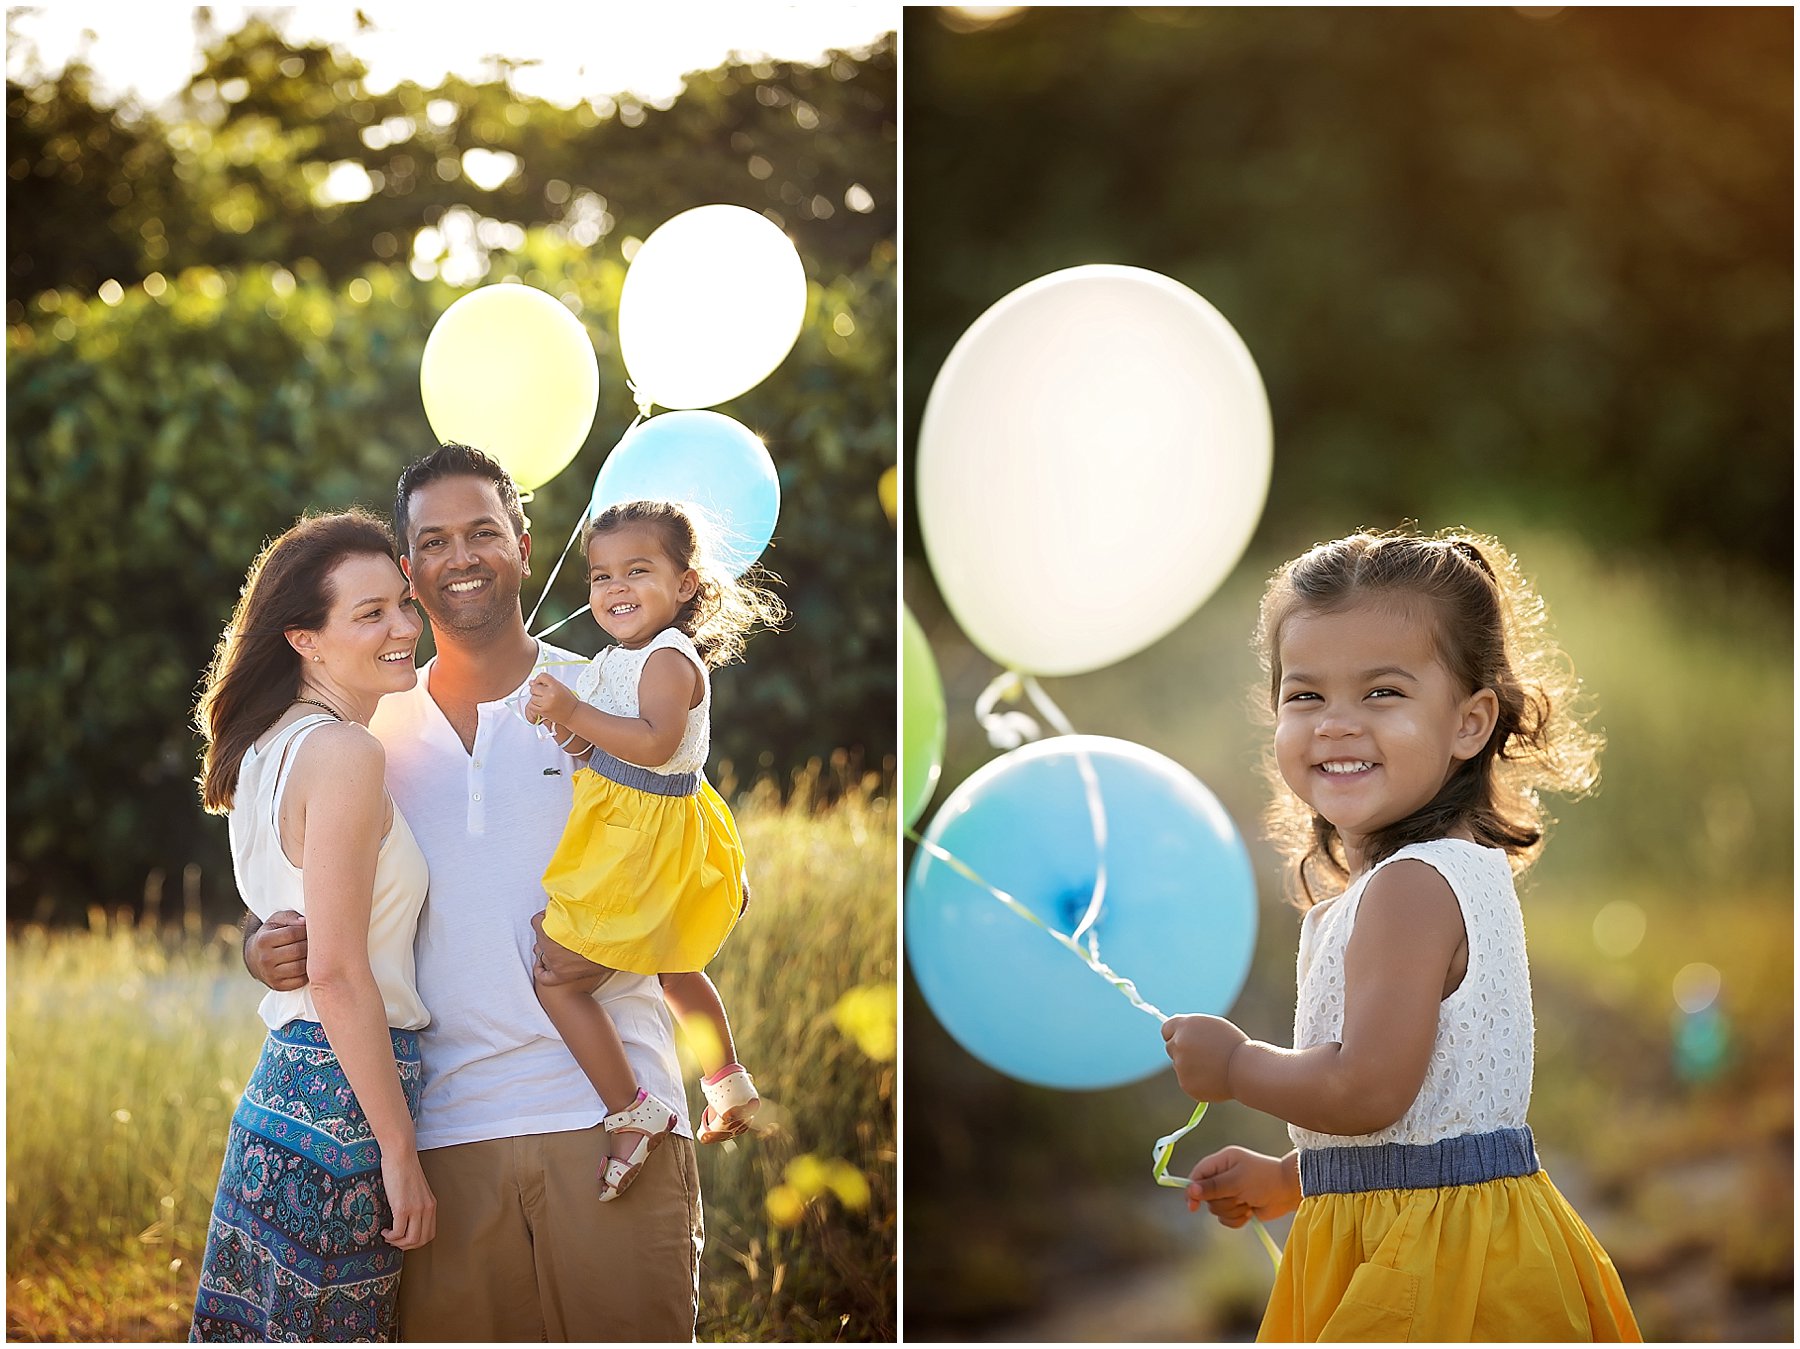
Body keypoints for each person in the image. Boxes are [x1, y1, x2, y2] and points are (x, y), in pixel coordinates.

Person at [244, 445, 703, 1340]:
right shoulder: (369, 727)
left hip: (610, 1120)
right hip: (440, 1136)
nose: (463, 557)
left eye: (484, 531)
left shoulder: (612, 697)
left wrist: (627, 943)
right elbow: (327, 907)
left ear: (526, 546)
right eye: (437, 541)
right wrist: (261, 940)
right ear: (409, 570)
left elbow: (707, 881)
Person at [1161, 528, 1641, 1341]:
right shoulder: (1438, 872)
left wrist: (1240, 1065)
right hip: (1438, 1236)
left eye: (1382, 692)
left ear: (1468, 721)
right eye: (1305, 695)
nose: (1337, 724)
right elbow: (1424, 1125)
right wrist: (1294, 1176)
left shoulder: (1410, 889)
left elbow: (1369, 1089)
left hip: (1427, 1271)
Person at [189, 510, 435, 1341]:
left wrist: (262, 947)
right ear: (306, 639)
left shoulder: (262, 749)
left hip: (281, 1093)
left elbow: (281, 921)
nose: (406, 625)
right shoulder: (345, 754)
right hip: (345, 1106)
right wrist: (398, 1149)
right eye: (370, 614)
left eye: (403, 602)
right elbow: (333, 970)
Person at [522, 500, 785, 1200]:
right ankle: (729, 1085)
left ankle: (633, 1106)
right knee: (674, 964)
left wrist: (576, 710)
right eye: (600, 575)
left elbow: (654, 742)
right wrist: (565, 727)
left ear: (686, 583)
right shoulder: (619, 656)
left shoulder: (669, 658)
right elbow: (602, 751)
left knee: (556, 973)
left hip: (644, 841)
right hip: (628, 827)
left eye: (637, 570)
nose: (615, 588)